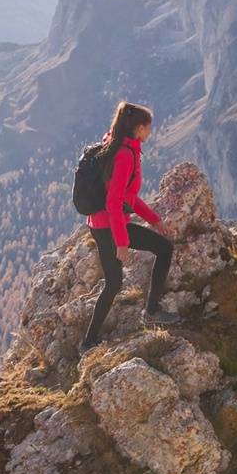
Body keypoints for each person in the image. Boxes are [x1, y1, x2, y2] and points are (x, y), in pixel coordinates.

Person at [82, 101, 179, 349]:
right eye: (149, 127)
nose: (150, 132)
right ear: (140, 127)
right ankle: (152, 311)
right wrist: (122, 243)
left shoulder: (114, 144)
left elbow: (128, 198)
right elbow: (115, 202)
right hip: (110, 225)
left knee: (113, 284)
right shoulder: (125, 155)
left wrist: (154, 220)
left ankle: (88, 343)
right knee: (165, 249)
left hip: (98, 224)